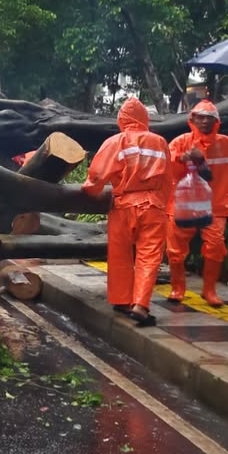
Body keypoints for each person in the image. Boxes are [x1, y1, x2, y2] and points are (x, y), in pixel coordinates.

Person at [81, 97, 171, 327]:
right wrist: (164, 206)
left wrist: (91, 191)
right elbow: (168, 180)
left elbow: (96, 177)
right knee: (148, 257)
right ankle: (140, 305)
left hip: (122, 206)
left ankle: (122, 300)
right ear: (144, 119)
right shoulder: (160, 142)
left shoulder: (115, 142)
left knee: (119, 255)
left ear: (122, 119)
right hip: (153, 206)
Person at [165, 100, 228, 307]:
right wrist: (181, 159)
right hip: (183, 205)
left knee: (215, 247)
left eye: (208, 117)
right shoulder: (180, 142)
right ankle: (178, 288)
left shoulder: (227, 144)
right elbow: (166, 171)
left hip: (215, 206)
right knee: (175, 249)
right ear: (192, 120)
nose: (203, 121)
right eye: (199, 117)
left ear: (216, 121)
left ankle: (209, 290)